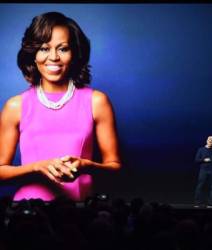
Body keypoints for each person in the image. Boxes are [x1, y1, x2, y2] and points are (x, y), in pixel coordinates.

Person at [0, 12, 121, 201]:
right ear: (33, 54)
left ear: (74, 53)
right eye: (44, 48)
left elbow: (115, 168)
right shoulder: (15, 106)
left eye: (63, 49)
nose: (53, 57)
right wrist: (36, 167)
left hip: (80, 212)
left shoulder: (97, 101)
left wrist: (85, 166)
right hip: (29, 214)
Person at [194, 136, 212, 208]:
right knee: (200, 186)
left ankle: (210, 204)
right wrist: (204, 160)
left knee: (211, 187)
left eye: (211, 141)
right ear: (206, 141)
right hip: (203, 170)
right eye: (209, 140)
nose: (210, 142)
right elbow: (196, 160)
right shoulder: (201, 149)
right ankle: (197, 203)